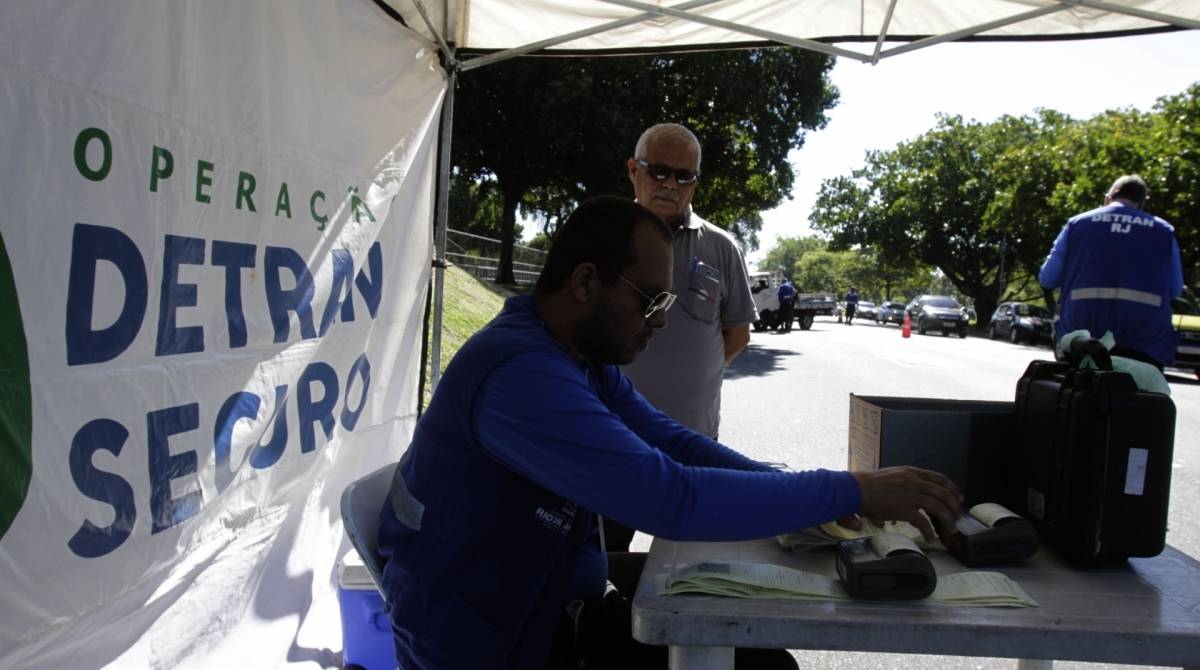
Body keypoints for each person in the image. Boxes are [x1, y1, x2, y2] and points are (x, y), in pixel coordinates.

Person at [376, 196, 963, 670]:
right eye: (651, 299)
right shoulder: (521, 376)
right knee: (762, 668)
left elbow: (673, 442)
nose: (661, 319)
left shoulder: (576, 357)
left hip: (543, 587)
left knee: (744, 601)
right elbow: (671, 498)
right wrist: (849, 490)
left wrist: (800, 494)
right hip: (495, 638)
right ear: (585, 283)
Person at [620, 123, 756, 441]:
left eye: (684, 176)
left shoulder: (723, 248)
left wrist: (695, 375)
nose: (670, 184)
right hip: (612, 433)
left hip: (693, 439)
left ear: (695, 182)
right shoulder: (603, 237)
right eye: (658, 171)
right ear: (632, 169)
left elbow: (737, 334)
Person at [1039, 174, 1184, 368]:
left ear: (1109, 197)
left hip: (1083, 337)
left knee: (1077, 394)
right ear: (1141, 203)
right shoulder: (1164, 231)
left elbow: (1047, 278)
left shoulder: (1077, 224)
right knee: (1139, 396)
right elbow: (1175, 289)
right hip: (1144, 341)